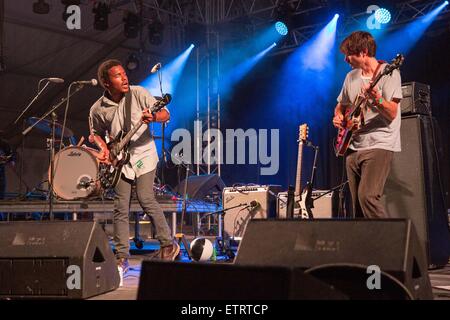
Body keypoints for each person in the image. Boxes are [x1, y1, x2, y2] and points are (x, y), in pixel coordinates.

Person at [89, 59, 180, 277]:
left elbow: (165, 114)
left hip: (145, 155)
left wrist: (154, 117)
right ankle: (122, 258)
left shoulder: (138, 93)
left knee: (145, 197)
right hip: (120, 160)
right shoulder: (98, 109)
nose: (124, 78)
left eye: (124, 73)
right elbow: (95, 134)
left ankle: (168, 244)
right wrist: (104, 149)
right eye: (118, 75)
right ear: (106, 82)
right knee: (121, 207)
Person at [332, 31, 402, 219]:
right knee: (358, 208)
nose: (346, 59)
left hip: (379, 143)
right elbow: (341, 105)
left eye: (349, 54)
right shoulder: (350, 77)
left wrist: (377, 99)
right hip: (353, 146)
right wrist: (338, 116)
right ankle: (367, 247)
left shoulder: (390, 72)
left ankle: (393, 244)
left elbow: (392, 113)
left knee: (368, 197)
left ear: (363, 52)